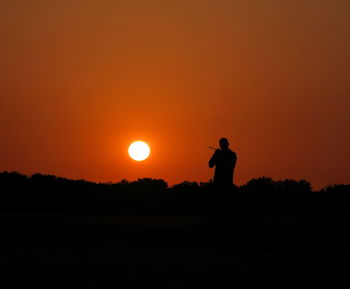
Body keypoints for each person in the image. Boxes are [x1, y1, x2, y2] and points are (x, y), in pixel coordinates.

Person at [209, 138, 237, 213]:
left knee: (225, 205)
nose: (221, 146)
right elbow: (210, 165)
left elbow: (229, 167)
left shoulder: (232, 155)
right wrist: (215, 155)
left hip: (226, 183)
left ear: (227, 144)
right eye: (221, 144)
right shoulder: (221, 155)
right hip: (218, 184)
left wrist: (218, 155)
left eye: (222, 144)